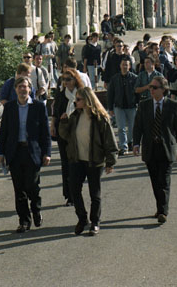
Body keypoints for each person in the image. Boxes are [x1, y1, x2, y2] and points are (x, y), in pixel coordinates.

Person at [59, 87, 118, 236]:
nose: (75, 102)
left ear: (87, 100)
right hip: (77, 160)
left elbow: (109, 141)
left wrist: (110, 161)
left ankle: (95, 222)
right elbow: (65, 136)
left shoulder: (100, 119)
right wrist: (63, 122)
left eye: (78, 99)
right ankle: (82, 218)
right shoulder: (75, 116)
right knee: (74, 190)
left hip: (94, 161)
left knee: (94, 193)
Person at [0, 77, 51, 233]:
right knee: (19, 189)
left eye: (25, 87)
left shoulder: (38, 107)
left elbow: (45, 133)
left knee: (32, 186)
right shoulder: (10, 108)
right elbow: (4, 132)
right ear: (15, 89)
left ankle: (36, 210)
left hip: (32, 152)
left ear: (30, 89)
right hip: (15, 152)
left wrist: (47, 153)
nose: (22, 89)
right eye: (19, 87)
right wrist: (1, 153)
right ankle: (24, 221)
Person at [132, 76, 177, 224]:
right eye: (150, 87)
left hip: (166, 148)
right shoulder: (144, 105)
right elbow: (138, 126)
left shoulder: (173, 105)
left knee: (164, 181)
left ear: (163, 89)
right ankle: (159, 207)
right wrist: (136, 144)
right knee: (155, 181)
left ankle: (163, 211)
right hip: (150, 148)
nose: (151, 90)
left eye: (154, 87)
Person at [51, 68, 85, 206]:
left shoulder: (81, 93)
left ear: (75, 80)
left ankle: (77, 190)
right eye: (63, 80)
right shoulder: (61, 95)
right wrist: (53, 126)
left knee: (77, 163)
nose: (66, 82)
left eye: (68, 79)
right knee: (66, 163)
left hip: (79, 132)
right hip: (63, 131)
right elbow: (55, 112)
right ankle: (69, 195)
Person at [107, 58, 138, 156]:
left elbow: (138, 93)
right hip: (119, 106)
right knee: (121, 128)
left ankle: (130, 141)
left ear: (129, 66)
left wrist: (138, 104)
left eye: (126, 65)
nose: (124, 66)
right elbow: (110, 94)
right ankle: (123, 147)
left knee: (132, 127)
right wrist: (110, 108)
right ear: (120, 66)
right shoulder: (115, 78)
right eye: (123, 64)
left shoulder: (134, 78)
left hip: (131, 106)